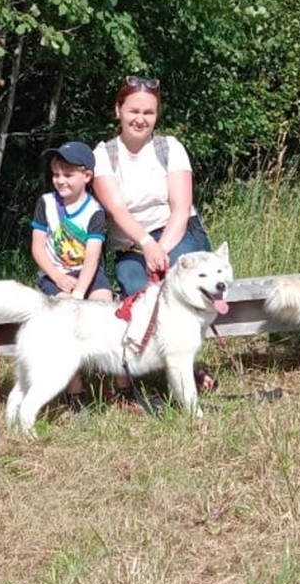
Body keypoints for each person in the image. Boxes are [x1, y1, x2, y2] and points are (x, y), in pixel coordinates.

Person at [91, 75, 216, 404]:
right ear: (118, 110)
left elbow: (181, 207)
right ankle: (165, 367)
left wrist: (162, 249)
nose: (140, 119)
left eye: (149, 112)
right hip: (132, 243)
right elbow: (117, 209)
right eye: (134, 110)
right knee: (139, 289)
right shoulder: (103, 154)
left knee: (183, 285)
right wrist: (147, 244)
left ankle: (187, 365)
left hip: (177, 231)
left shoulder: (170, 148)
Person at [30, 140, 113, 409]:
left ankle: (106, 376)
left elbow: (92, 257)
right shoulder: (45, 203)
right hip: (54, 273)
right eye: (56, 174)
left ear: (86, 176)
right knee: (64, 316)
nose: (60, 180)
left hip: (87, 273)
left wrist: (79, 292)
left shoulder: (95, 211)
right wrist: (57, 277)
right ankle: (74, 388)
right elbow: (37, 248)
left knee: (103, 305)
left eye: (67, 174)